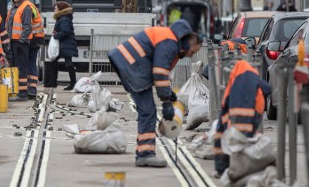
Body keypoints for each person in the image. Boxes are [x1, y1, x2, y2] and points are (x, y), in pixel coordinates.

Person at [108, 20, 202, 168]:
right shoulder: (169, 42)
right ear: (188, 41)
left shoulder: (169, 39)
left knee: (147, 111)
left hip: (131, 64)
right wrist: (166, 102)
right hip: (133, 67)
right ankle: (145, 155)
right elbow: (159, 72)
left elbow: (156, 71)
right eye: (193, 52)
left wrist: (168, 93)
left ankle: (144, 153)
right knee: (148, 111)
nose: (191, 56)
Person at [213, 60, 272, 177]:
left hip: (234, 119)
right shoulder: (252, 75)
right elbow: (268, 89)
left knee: (230, 141)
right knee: (247, 143)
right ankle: (245, 169)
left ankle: (223, 169)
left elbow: (225, 102)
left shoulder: (234, 80)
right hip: (254, 115)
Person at [7, 0, 44, 101]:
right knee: (30, 63)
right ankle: (31, 91)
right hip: (33, 38)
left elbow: (27, 27)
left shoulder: (25, 7)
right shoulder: (16, 7)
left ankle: (23, 93)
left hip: (26, 40)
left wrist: (21, 41)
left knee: (22, 65)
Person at [49, 1, 78, 90]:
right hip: (64, 44)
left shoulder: (64, 18)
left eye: (56, 8)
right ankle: (54, 82)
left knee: (67, 63)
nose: (54, 9)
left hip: (66, 44)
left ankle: (71, 83)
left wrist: (56, 35)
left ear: (60, 9)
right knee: (58, 62)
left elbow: (65, 31)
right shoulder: (62, 18)